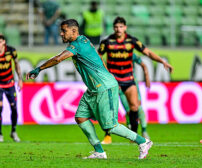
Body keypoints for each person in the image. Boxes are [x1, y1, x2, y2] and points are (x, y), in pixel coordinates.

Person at [26, 19, 153, 159]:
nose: (61, 34)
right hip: (93, 89)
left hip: (104, 87)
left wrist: (39, 69)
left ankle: (143, 142)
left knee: (111, 126)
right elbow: (99, 59)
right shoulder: (82, 41)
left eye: (64, 31)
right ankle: (99, 151)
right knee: (81, 117)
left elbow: (58, 59)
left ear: (74, 31)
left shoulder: (78, 44)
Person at [98, 16, 173, 136]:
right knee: (108, 107)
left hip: (128, 79)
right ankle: (107, 134)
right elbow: (98, 56)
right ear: (113, 28)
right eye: (116, 27)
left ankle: (134, 134)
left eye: (121, 27)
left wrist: (162, 62)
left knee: (134, 107)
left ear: (125, 27)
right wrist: (106, 73)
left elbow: (147, 52)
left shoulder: (132, 41)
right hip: (113, 81)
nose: (118, 29)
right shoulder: (107, 42)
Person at [102, 53, 151, 144]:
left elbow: (143, 64)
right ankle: (131, 132)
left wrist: (147, 77)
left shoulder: (130, 53)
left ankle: (144, 130)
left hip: (130, 83)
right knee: (128, 111)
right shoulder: (112, 54)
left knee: (138, 107)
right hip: (118, 85)